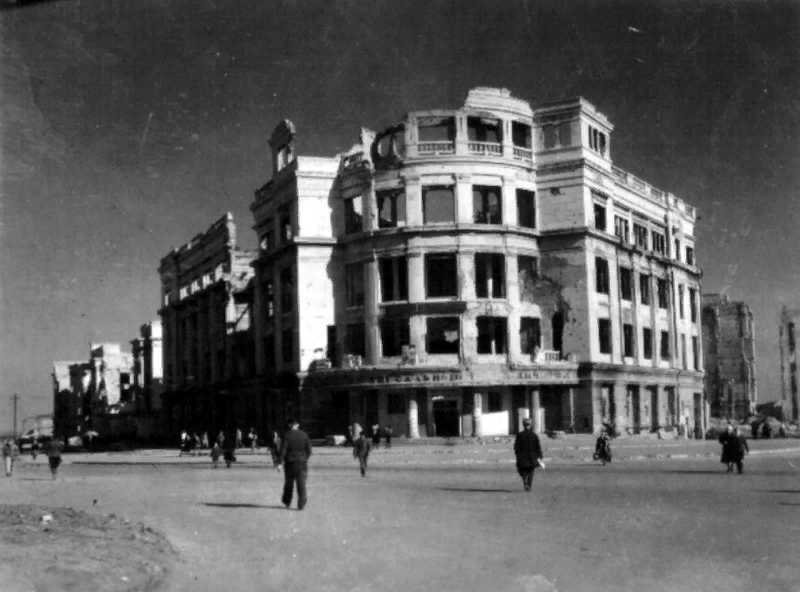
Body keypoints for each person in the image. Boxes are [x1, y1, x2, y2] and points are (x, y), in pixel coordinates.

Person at [279, 420, 312, 510]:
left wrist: (280, 462)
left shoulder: (287, 435)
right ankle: (301, 504)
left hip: (289, 463)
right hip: (301, 463)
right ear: (297, 425)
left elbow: (283, 450)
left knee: (289, 484)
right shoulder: (304, 435)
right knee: (301, 484)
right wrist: (304, 458)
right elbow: (309, 450)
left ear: (290, 425)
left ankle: (287, 501)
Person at [513, 418, 543, 491]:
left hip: (522, 457)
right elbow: (538, 447)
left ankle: (525, 481)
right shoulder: (534, 435)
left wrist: (517, 454)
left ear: (523, 425)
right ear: (531, 425)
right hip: (532, 457)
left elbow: (516, 446)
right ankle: (529, 484)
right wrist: (540, 456)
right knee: (531, 471)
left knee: (522, 470)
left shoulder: (520, 435)